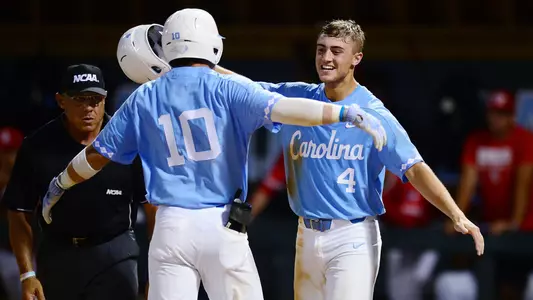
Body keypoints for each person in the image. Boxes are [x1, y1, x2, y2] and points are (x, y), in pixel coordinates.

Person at [119, 17, 484, 300]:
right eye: (321, 49)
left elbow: (413, 168)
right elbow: (243, 86)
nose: (326, 57)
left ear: (357, 58)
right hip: (306, 235)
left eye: (336, 51)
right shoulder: (298, 98)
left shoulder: (374, 112)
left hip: (352, 234)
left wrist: (457, 214)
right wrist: (190, 64)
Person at [40, 9, 387, 300]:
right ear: (213, 45)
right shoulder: (228, 88)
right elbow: (287, 109)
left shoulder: (143, 96)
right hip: (222, 225)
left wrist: (59, 184)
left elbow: (96, 156)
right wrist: (341, 113)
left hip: (169, 226)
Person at [3, 63, 157, 300]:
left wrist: (155, 275)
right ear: (60, 101)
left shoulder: (130, 144)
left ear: (105, 100)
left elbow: (153, 209)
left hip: (115, 251)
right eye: (79, 99)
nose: (89, 108)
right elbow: (18, 211)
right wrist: (27, 273)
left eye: (95, 100)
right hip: (57, 254)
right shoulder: (36, 146)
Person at [440, 89, 533, 300]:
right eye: (493, 113)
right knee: (491, 283)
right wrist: (457, 216)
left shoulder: (525, 140)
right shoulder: (477, 141)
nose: (496, 119)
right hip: (492, 227)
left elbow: (524, 184)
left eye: (502, 114)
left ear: (512, 116)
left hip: (525, 227)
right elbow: (467, 183)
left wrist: (514, 222)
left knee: (515, 287)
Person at [0, 127, 24, 300]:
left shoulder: (34, 176)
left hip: (33, 252)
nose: (8, 158)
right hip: (4, 253)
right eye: (3, 153)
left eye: (12, 152)